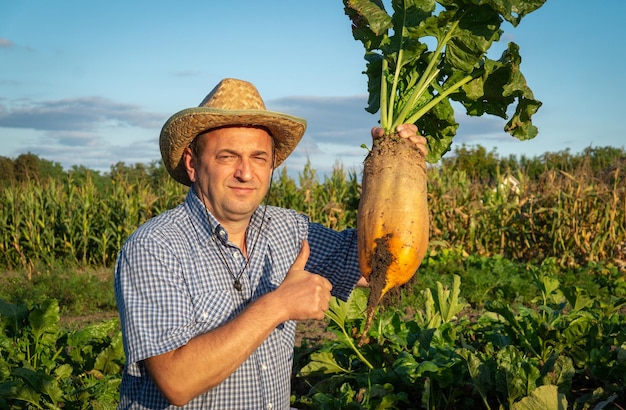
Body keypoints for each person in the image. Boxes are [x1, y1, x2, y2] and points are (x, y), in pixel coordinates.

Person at [114, 78, 428, 409]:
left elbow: (379, 264)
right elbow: (176, 382)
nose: (245, 173)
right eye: (227, 156)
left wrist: (400, 167)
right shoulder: (154, 247)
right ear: (192, 164)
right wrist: (278, 305)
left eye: (259, 158)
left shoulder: (288, 229)